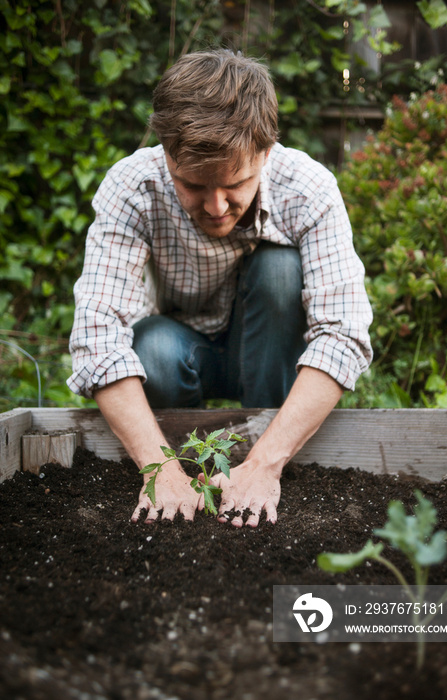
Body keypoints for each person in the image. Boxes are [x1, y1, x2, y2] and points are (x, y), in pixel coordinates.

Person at [68, 49, 373, 528]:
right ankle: (191, 466)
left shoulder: (307, 188)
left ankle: (260, 455)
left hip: (271, 356)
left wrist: (264, 465)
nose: (215, 207)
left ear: (266, 153)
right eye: (193, 185)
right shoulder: (133, 187)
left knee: (279, 270)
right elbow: (97, 336)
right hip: (186, 352)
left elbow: (344, 336)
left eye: (236, 184)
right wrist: (159, 470)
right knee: (152, 347)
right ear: (167, 155)